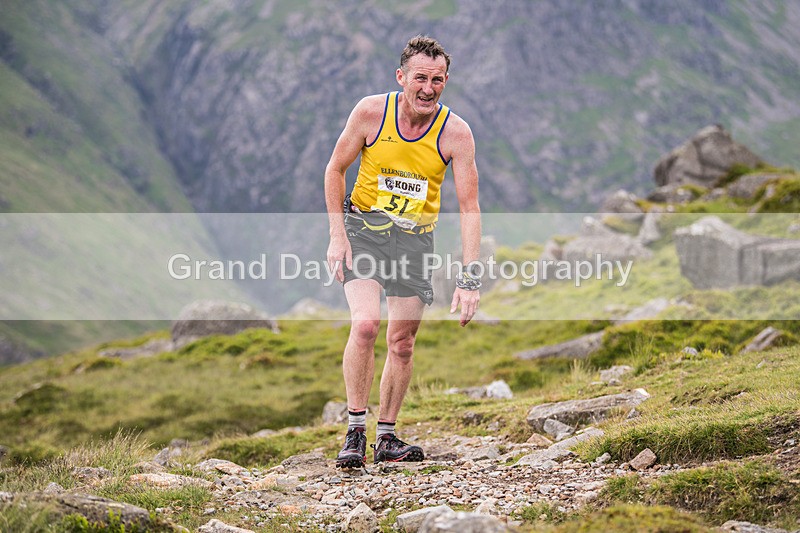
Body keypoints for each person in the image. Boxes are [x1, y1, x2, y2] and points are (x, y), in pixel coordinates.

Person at [324, 35, 481, 468]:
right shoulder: (372, 112)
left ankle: (387, 437)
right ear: (401, 78)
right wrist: (338, 235)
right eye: (419, 78)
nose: (428, 88)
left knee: (403, 342)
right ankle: (355, 430)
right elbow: (335, 169)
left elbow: (470, 209)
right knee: (367, 325)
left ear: (445, 81)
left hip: (414, 240)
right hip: (365, 229)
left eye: (437, 80)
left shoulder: (456, 133)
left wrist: (469, 279)